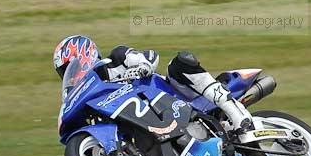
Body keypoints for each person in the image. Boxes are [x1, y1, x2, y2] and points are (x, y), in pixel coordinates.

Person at [53, 35, 253, 135]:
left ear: (83, 55)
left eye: (68, 68)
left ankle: (238, 114)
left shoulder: (117, 58)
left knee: (179, 64)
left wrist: (140, 68)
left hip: (177, 98)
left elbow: (149, 57)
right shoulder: (92, 92)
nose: (68, 76)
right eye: (63, 73)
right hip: (155, 124)